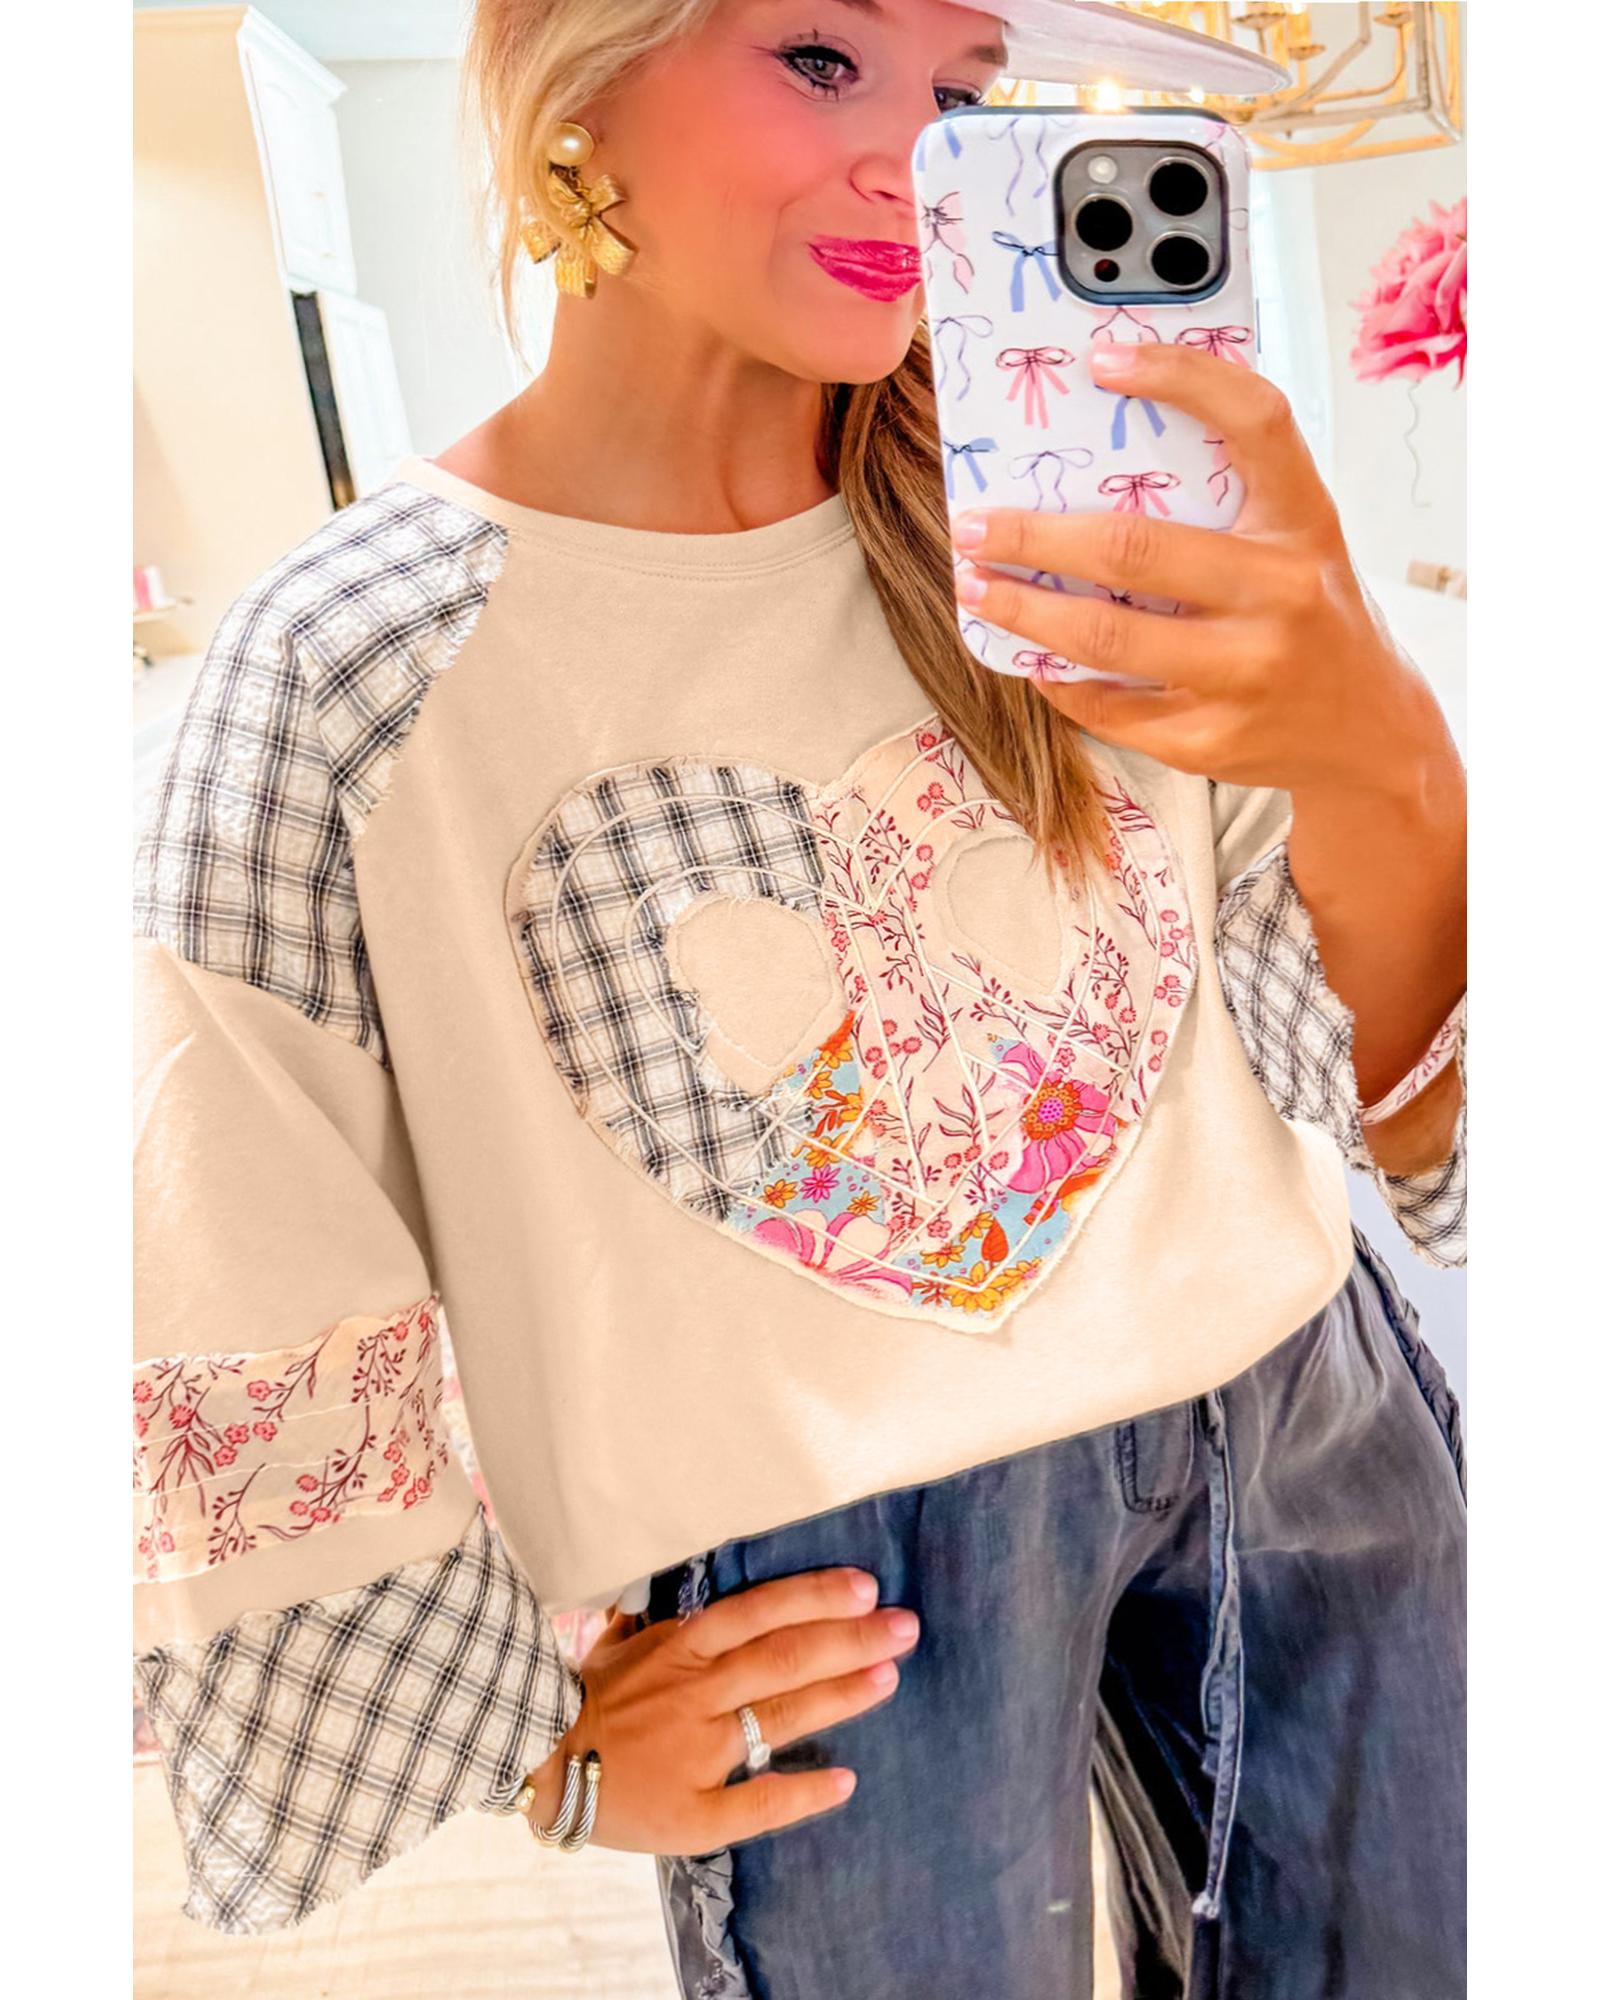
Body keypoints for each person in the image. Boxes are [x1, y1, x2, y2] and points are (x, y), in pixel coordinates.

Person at [131, 3, 1466, 1993]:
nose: (909, 158)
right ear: (572, 73)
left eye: (964, 90)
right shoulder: (354, 661)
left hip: (1308, 1414)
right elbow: (232, 1227)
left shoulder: (1082, 540)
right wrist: (546, 1749)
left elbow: (1389, 1089)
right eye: (821, 57)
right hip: (835, 1566)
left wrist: (1387, 750)